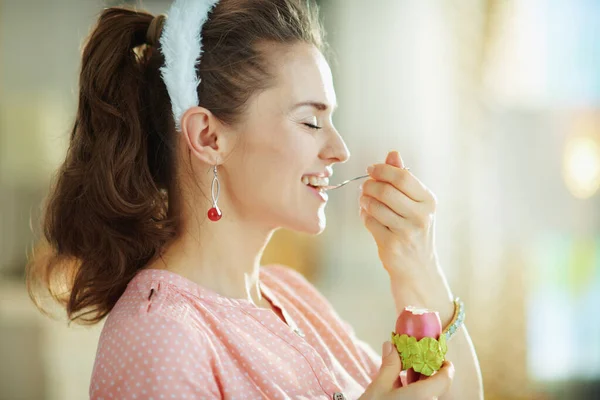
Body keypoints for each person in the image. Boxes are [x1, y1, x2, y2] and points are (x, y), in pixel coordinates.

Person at [27, 0, 484, 398]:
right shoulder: (158, 336)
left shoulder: (294, 297)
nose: (340, 150)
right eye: (310, 121)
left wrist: (418, 268)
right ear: (208, 136)